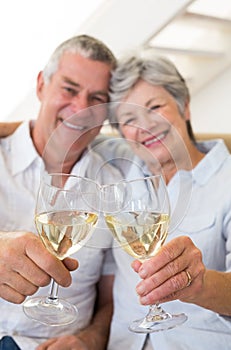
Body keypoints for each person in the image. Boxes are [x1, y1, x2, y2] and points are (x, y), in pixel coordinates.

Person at [105, 49, 231, 349]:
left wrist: (197, 284)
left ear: (184, 106)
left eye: (155, 107)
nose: (145, 126)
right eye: (129, 119)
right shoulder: (115, 175)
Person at [0, 34, 120, 350]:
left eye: (96, 98)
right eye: (69, 89)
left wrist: (90, 340)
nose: (80, 109)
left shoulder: (115, 183)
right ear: (41, 85)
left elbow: (112, 300)